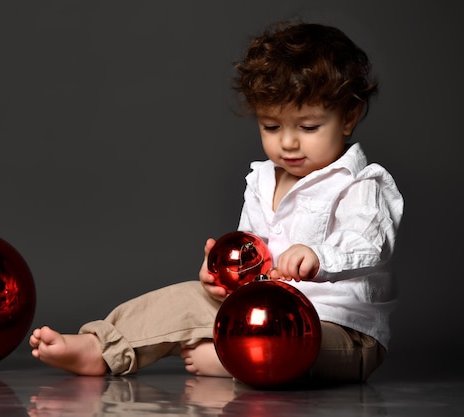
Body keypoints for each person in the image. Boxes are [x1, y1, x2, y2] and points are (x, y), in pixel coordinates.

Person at [29, 21, 404, 383]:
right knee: (185, 298)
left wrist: (319, 257)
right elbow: (254, 257)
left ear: (349, 117)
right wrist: (226, 277)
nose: (288, 143)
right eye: (271, 127)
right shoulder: (261, 180)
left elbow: (371, 244)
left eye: (308, 127)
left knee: (288, 341)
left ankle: (235, 357)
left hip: (338, 330)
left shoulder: (361, 184)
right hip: (258, 311)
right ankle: (103, 347)